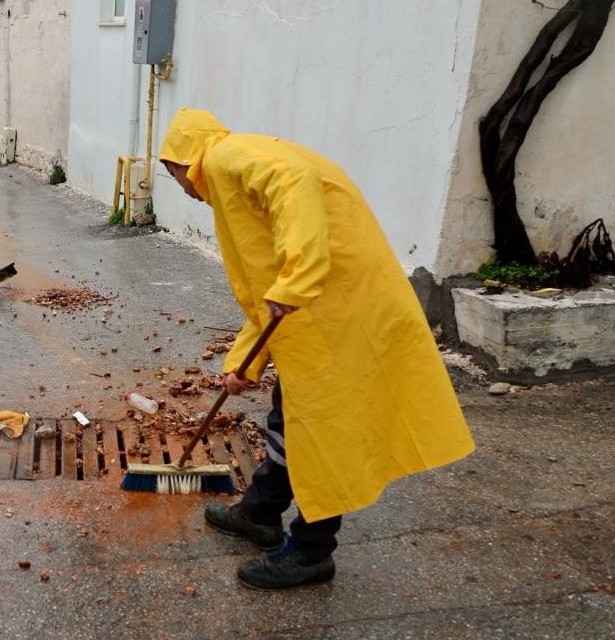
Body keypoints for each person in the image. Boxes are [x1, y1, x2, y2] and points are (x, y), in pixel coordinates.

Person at [158, 109, 475, 590]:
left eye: (171, 173)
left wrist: (299, 275)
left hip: (340, 316)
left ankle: (311, 552)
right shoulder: (228, 178)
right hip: (316, 317)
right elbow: (262, 289)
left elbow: (291, 178)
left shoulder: (224, 156)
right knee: (290, 419)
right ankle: (260, 513)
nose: (179, 184)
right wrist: (243, 363)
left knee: (323, 433)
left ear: (181, 160)